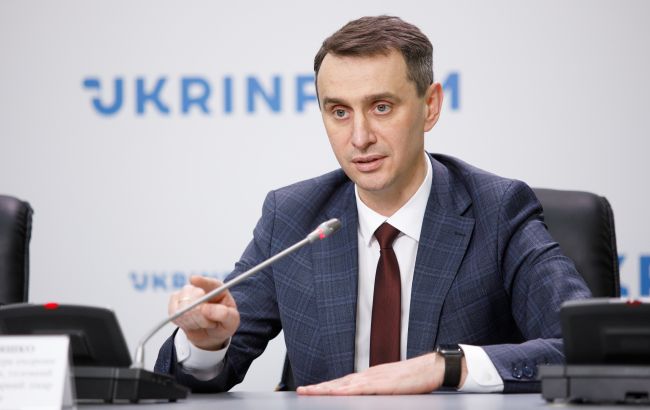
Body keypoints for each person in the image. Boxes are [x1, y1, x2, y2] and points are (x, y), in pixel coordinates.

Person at [155, 15, 590, 394]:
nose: (359, 138)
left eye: (381, 107)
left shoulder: (497, 211)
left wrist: (447, 366)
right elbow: (194, 377)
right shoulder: (292, 217)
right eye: (339, 112)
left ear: (430, 106)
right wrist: (207, 345)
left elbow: (585, 347)